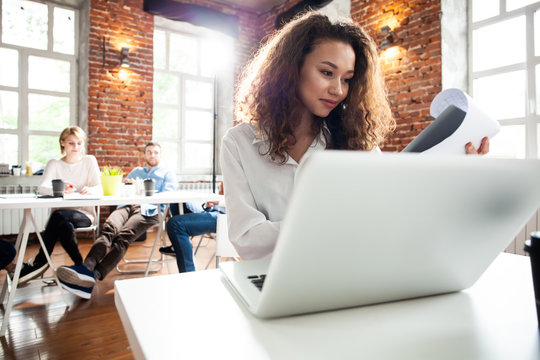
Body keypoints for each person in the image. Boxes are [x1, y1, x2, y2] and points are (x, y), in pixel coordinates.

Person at [220, 11, 489, 261]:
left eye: (347, 79)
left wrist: (459, 176)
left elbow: (394, 212)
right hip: (271, 277)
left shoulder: (357, 143)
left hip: (349, 270)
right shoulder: (239, 143)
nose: (338, 90)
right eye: (327, 73)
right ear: (291, 70)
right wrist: (332, 224)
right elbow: (246, 239)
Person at [56, 141, 177, 299]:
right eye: (149, 152)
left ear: (160, 155)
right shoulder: (136, 171)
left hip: (150, 208)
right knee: (109, 228)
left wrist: (148, 194)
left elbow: (169, 196)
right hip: (127, 205)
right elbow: (123, 188)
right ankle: (87, 267)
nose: (152, 155)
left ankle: (94, 275)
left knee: (124, 236)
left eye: (155, 152)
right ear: (144, 154)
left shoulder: (167, 174)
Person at [19, 126, 102, 284]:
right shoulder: (54, 163)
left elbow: (99, 189)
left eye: (79, 143)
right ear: (62, 143)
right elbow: (42, 188)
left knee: (58, 217)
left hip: (84, 214)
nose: (76, 147)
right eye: (71, 143)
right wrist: (60, 189)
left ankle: (39, 263)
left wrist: (90, 189)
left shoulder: (89, 161)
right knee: (64, 226)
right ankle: (81, 266)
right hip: (61, 218)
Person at [159, 201, 225, 273]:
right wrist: (207, 205)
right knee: (176, 203)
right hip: (214, 210)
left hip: (226, 215)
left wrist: (218, 202)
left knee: (176, 224)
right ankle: (178, 246)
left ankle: (189, 276)